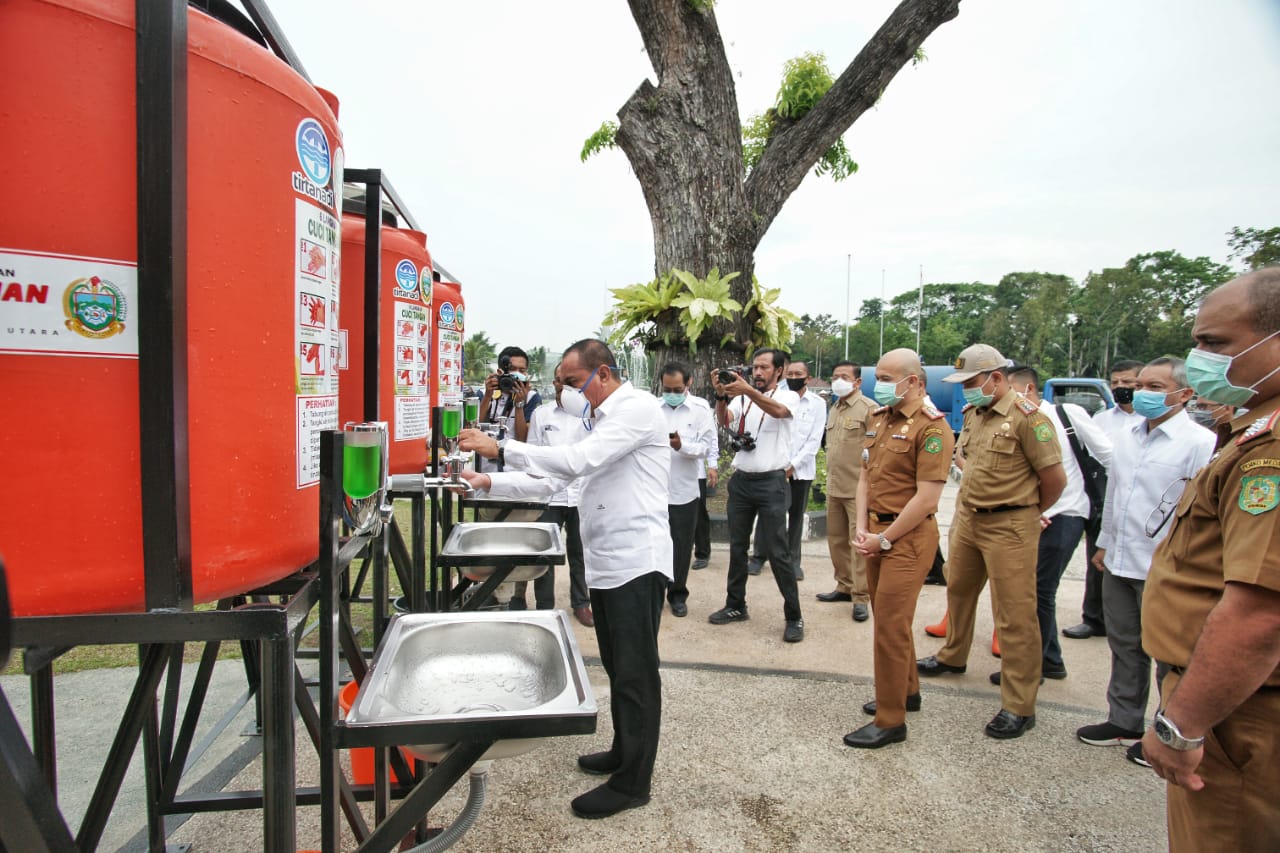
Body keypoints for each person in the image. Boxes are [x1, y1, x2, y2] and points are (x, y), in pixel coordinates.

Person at [457, 339, 671, 820]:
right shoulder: (600, 418)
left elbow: (576, 462)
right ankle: (623, 751)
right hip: (609, 560)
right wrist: (489, 481)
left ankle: (634, 783)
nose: (568, 392)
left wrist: (503, 447)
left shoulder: (636, 409)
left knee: (637, 673)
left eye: (574, 382)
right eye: (563, 384)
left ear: (605, 374)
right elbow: (559, 482)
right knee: (618, 666)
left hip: (636, 559)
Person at [1139, 268, 1280, 851]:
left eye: (1215, 343)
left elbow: (1260, 614)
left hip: (1241, 714)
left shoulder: (1268, 455)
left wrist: (1181, 723)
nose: (1198, 358)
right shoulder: (1252, 433)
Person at [916, 343, 1066, 739]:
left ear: (996, 378)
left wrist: (1026, 513)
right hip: (969, 518)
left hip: (1010, 525)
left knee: (1015, 614)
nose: (965, 390)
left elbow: (1054, 481)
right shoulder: (974, 415)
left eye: (971, 382)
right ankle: (953, 655)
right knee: (959, 590)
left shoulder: (1028, 419)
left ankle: (1019, 704)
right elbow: (968, 464)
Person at [1074, 357, 1214, 767]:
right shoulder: (1130, 435)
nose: (1140, 394)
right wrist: (1103, 544)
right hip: (1119, 558)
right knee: (1125, 645)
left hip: (1166, 568)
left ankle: (1167, 731)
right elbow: (1115, 494)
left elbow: (1199, 512)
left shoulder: (1198, 443)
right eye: (1140, 386)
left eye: (1154, 386)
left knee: (1169, 655)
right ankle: (1123, 721)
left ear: (1184, 395)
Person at [842, 349, 954, 749]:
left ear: (916, 383)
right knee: (889, 618)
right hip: (875, 533)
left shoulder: (933, 429)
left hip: (907, 538)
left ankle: (891, 721)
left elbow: (927, 499)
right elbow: (864, 478)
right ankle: (907, 691)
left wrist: (885, 539)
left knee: (889, 626)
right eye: (879, 376)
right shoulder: (878, 420)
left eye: (889, 378)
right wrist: (861, 528)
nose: (880, 384)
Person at [1005, 365, 1113, 684]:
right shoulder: (1015, 421)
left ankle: (1036, 665)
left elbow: (1109, 455)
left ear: (1027, 389)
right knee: (1031, 591)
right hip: (1032, 516)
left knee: (1040, 590)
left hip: (1065, 515)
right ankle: (1049, 660)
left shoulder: (1067, 414)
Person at [707, 349, 805, 643]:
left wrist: (747, 389)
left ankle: (794, 616)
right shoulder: (742, 399)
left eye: (764, 368)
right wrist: (722, 395)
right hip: (742, 482)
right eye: (755, 367)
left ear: (779, 371)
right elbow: (725, 421)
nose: (758, 372)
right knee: (737, 547)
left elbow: (777, 412)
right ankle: (736, 605)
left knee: (778, 551)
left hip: (772, 482)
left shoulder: (788, 396)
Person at [1063, 359, 1145, 640]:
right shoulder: (1102, 419)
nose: (1121, 388)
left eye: (1128, 383)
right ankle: (1094, 618)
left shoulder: (1149, 420)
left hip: (1141, 496)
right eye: (1116, 383)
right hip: (1102, 492)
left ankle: (1137, 619)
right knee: (1098, 557)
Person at [526, 364, 593, 626]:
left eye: (568, 381)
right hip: (549, 496)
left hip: (580, 496)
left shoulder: (589, 415)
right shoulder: (542, 414)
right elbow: (532, 454)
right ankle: (545, 606)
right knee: (544, 552)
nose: (560, 385)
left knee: (580, 553)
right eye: (557, 380)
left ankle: (581, 603)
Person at [747, 360, 825, 582]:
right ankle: (758, 557)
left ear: (808, 378)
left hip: (800, 470)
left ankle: (793, 561)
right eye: (789, 373)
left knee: (796, 516)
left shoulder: (817, 403)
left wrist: (793, 466)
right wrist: (782, 466)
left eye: (798, 374)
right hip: (774, 467)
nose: (793, 377)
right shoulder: (776, 396)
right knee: (767, 513)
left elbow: (813, 441)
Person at [818, 361, 876, 621]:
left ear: (858, 382)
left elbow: (875, 452)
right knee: (837, 540)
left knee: (858, 543)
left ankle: (861, 596)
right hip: (835, 486)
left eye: (843, 376)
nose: (837, 381)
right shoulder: (834, 408)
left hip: (857, 490)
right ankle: (844, 585)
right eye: (834, 376)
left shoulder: (869, 409)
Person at [658, 362, 715, 617]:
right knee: (655, 545)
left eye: (677, 388)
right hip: (654, 490)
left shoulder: (700, 409)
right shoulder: (651, 409)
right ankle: (655, 592)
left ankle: (677, 594)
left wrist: (682, 446)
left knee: (681, 547)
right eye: (667, 388)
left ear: (688, 383)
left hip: (684, 491)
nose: (672, 393)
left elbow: (706, 447)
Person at [690, 388, 719, 571]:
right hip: (667, 471)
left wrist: (712, 465)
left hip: (695, 470)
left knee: (698, 513)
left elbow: (711, 437)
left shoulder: (699, 406)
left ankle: (702, 552)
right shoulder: (658, 405)